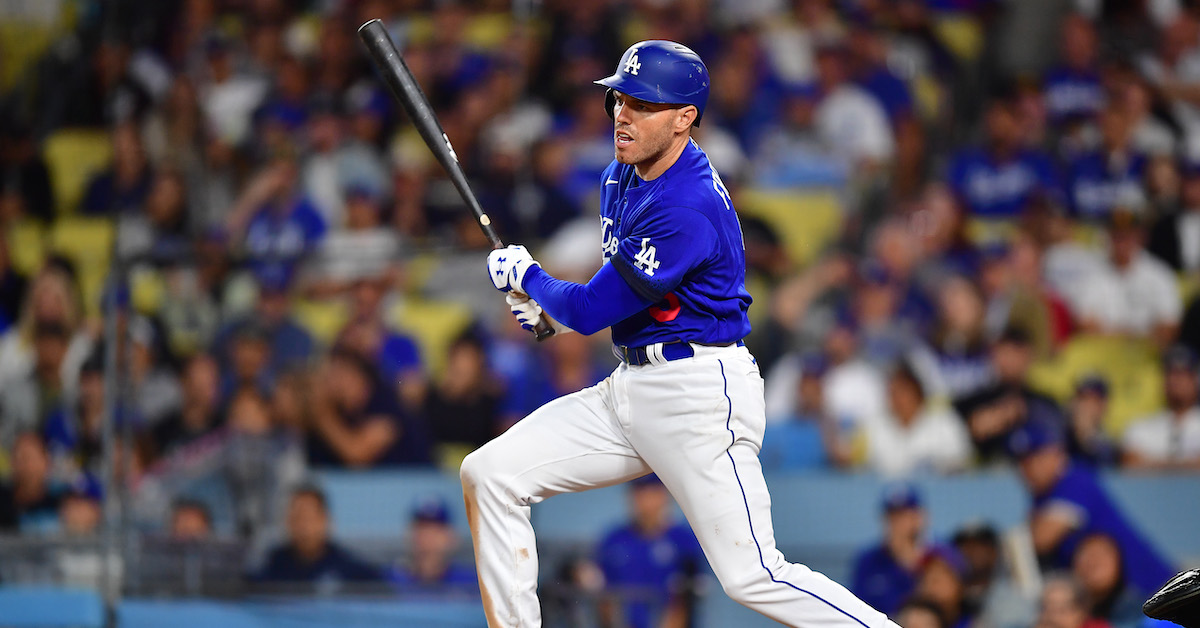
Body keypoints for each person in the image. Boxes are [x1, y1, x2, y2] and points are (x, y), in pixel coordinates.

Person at [466, 41, 899, 628]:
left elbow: (590, 310)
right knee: (490, 475)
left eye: (643, 104)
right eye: (620, 99)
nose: (623, 114)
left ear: (684, 118)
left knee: (753, 575)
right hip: (629, 385)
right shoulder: (621, 175)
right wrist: (547, 313)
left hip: (698, 394)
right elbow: (618, 300)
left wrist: (529, 277)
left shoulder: (687, 203)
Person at [1006, 421, 1175, 599]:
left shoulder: (1074, 481)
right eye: (1021, 462)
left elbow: (1039, 540)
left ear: (1057, 453)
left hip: (1151, 589)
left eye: (1034, 458)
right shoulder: (1042, 496)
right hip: (1117, 599)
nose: (1027, 469)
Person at [594, 474, 704, 628]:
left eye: (652, 491)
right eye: (639, 491)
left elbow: (688, 598)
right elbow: (602, 593)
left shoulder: (684, 540)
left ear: (665, 494)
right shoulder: (613, 539)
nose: (645, 499)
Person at [255, 486, 379, 585]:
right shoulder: (274, 564)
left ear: (325, 520)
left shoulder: (346, 567)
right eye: (297, 517)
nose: (303, 526)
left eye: (309, 517)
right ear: (288, 522)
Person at [851, 483, 927, 617]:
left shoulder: (936, 557)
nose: (897, 524)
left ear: (919, 517)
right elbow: (857, 609)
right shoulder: (869, 560)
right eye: (892, 517)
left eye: (904, 516)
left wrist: (908, 560)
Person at [1122, 345, 1200, 470]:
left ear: (1195, 380)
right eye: (1171, 374)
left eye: (1183, 374)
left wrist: (1152, 463)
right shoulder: (1141, 427)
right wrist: (1188, 464)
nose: (1176, 381)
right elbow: (1131, 462)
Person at [386, 496, 477, 593]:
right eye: (422, 528)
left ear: (451, 536)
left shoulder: (470, 582)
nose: (427, 536)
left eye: (435, 530)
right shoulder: (391, 581)